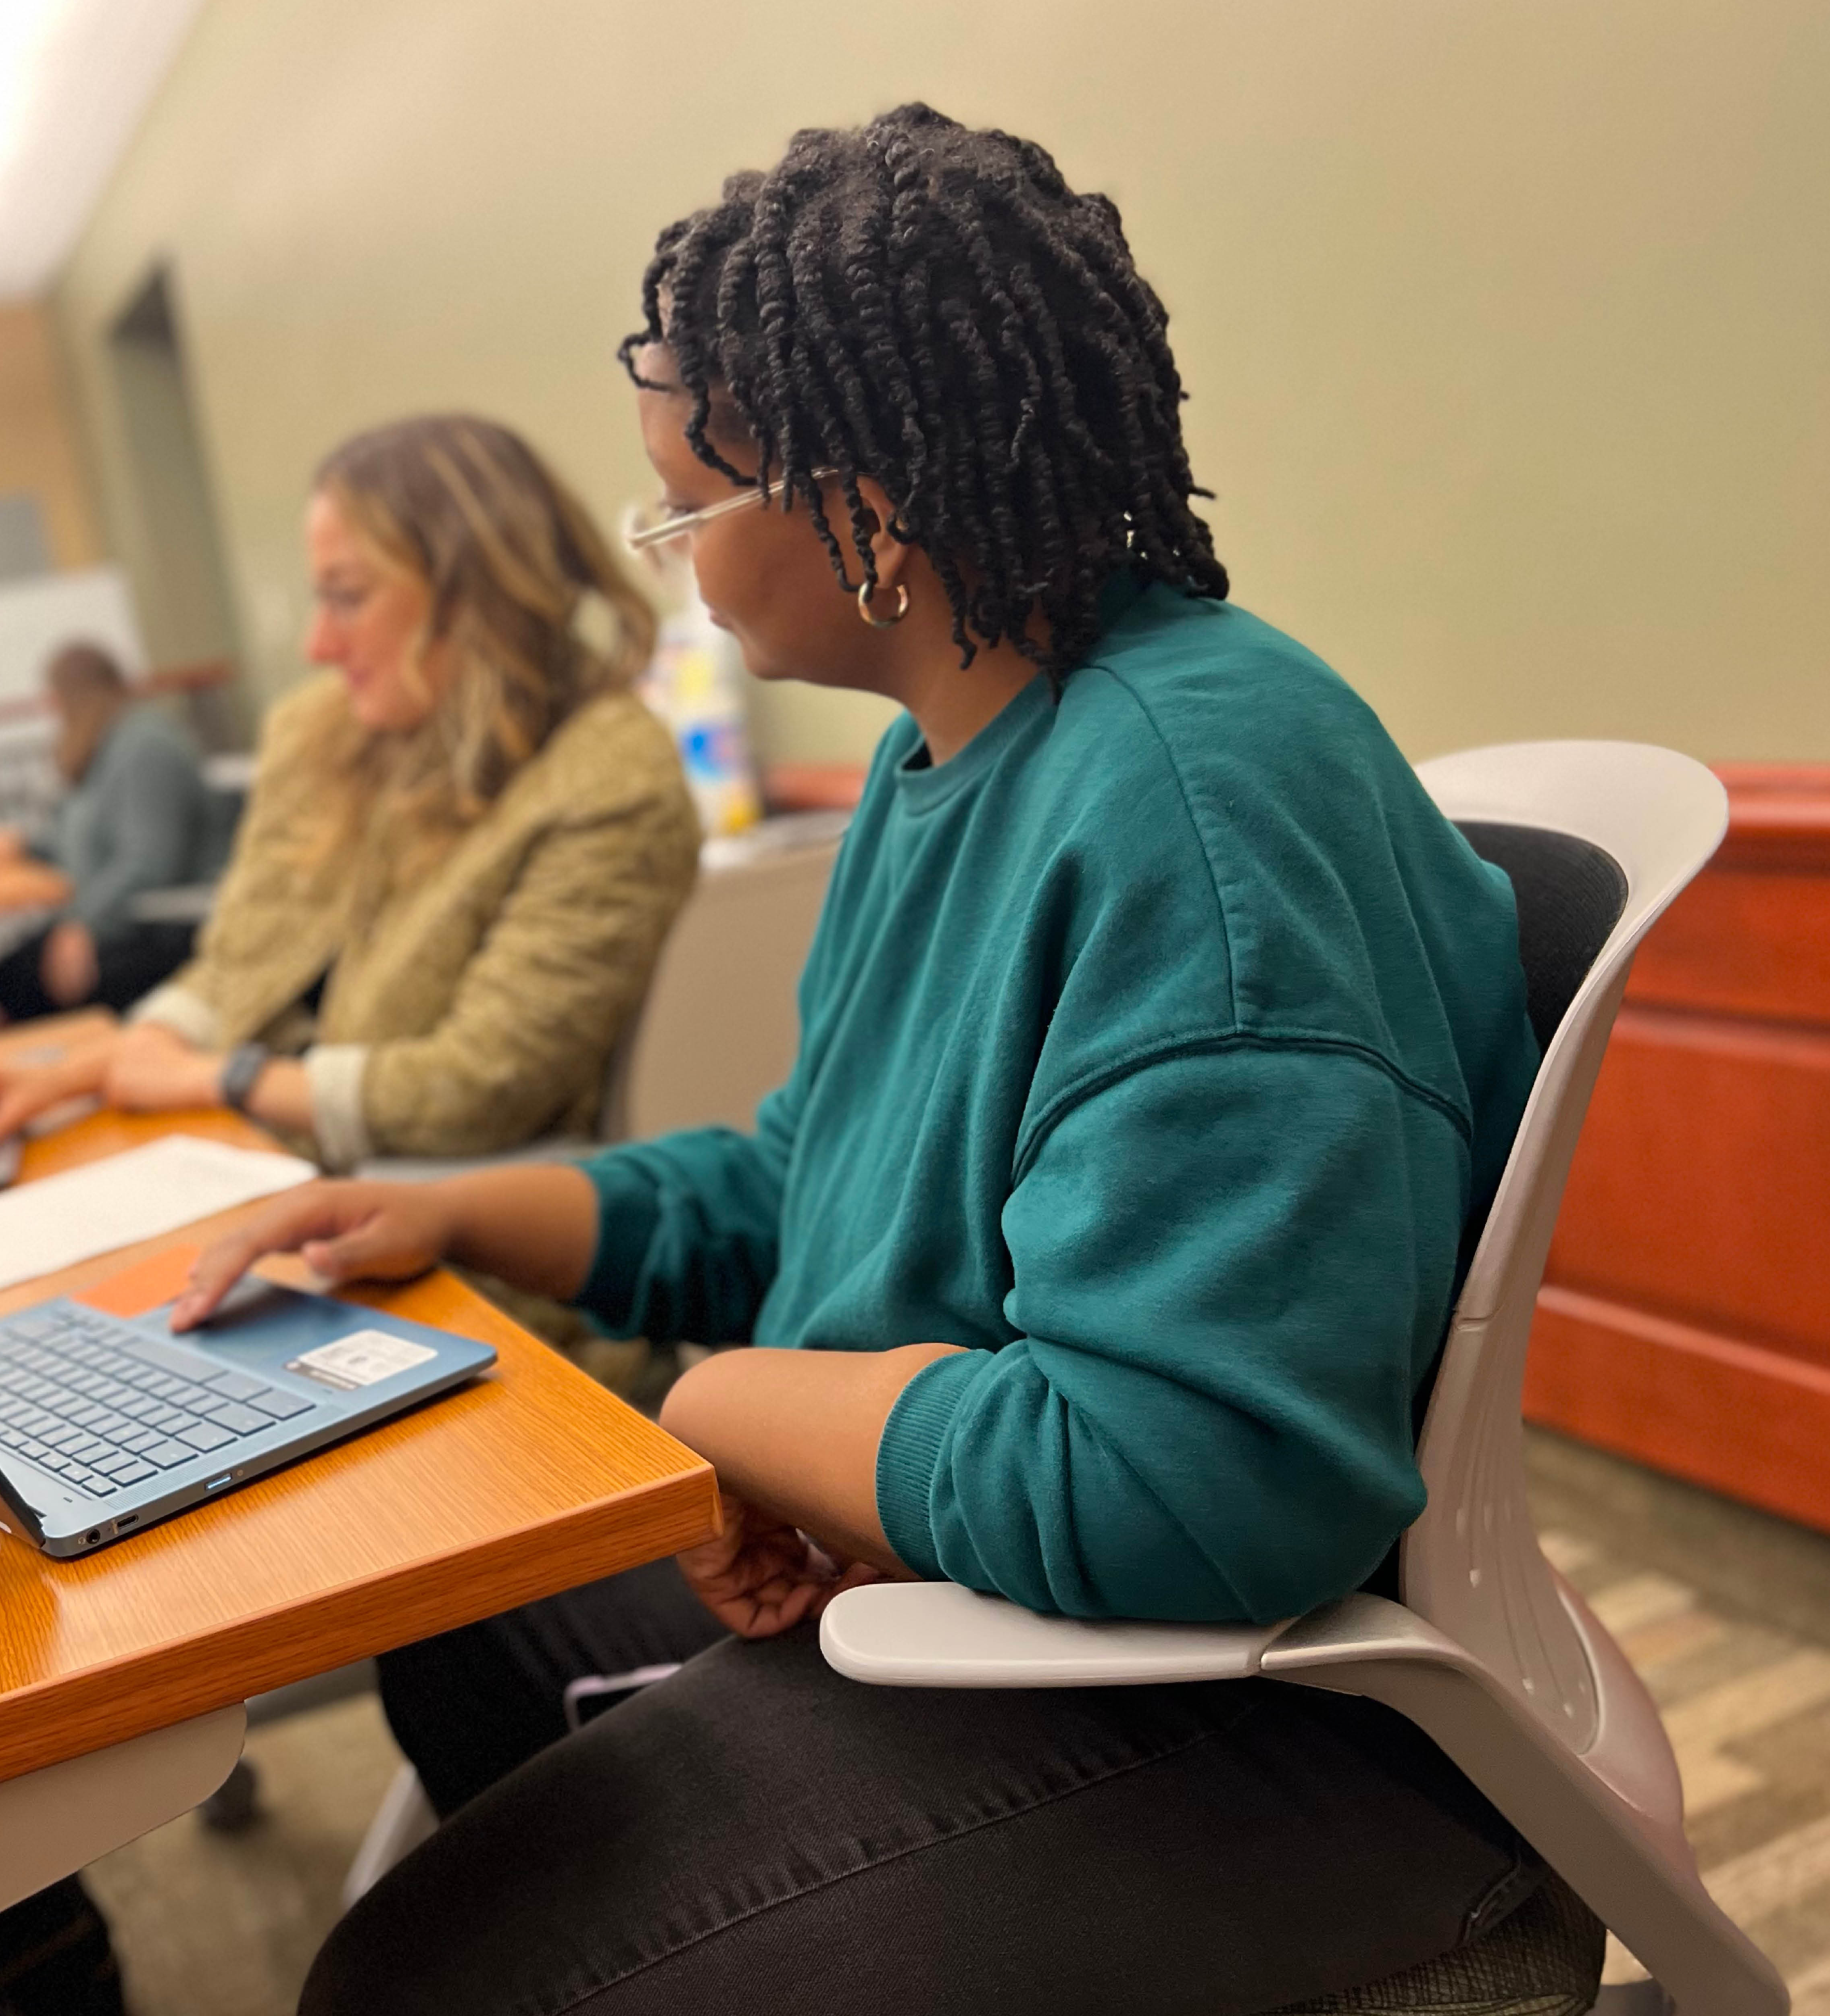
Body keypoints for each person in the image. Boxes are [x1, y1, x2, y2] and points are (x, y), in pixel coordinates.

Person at [170, 107, 1554, 2014]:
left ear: (866, 511)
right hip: (973, 1606)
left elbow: (1197, 1490)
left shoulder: (1198, 800)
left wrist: (730, 1406)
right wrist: (452, 1207)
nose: (669, 556)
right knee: (471, 1634)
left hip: (1243, 1728)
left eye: (684, 506)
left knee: (414, 1976)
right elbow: (802, 1181)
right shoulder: (944, 763)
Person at [0, 415, 701, 1172]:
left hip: (471, 1253)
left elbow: (477, 1090)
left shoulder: (608, 775)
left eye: (347, 596)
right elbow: (235, 965)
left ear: (476, 589)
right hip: (297, 1183)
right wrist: (70, 1075)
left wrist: (219, 1079)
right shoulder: (326, 731)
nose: (317, 643)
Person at [0, 643, 233, 1051]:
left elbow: (149, 862)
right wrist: (20, 845)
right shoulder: (105, 746)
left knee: (26, 979)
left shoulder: (145, 745)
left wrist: (83, 924)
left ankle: (75, 1069)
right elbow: (68, 838)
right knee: (10, 971)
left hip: (162, 925)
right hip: (119, 915)